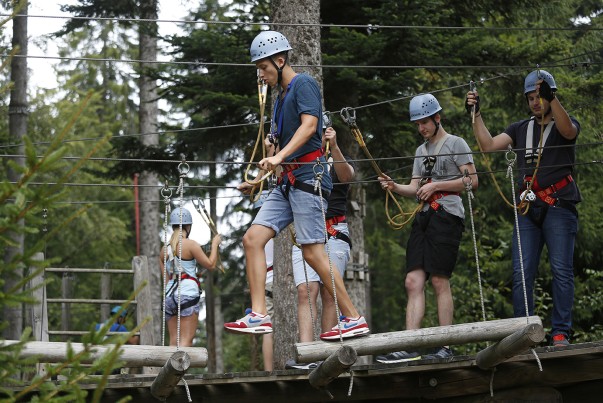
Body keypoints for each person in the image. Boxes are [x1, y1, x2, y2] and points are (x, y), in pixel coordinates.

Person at [225, 30, 369, 341]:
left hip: (308, 179)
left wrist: (280, 158)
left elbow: (310, 126)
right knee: (252, 239)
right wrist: (258, 178)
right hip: (286, 182)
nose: (261, 75)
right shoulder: (279, 100)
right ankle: (259, 314)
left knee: (313, 253)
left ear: (279, 60)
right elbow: (278, 149)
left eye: (263, 68)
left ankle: (354, 317)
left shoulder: (303, 84)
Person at [465, 70, 580, 347]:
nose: (536, 102)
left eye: (540, 97)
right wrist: (476, 114)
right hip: (528, 208)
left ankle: (561, 331)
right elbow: (489, 146)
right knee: (521, 271)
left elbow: (568, 131)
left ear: (550, 97)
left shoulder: (565, 122)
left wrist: (555, 99)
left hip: (558, 205)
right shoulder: (520, 128)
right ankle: (524, 332)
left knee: (561, 269)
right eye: (531, 98)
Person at [377, 94, 478, 363]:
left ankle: (445, 344)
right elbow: (414, 187)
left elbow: (472, 180)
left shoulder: (456, 143)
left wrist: (437, 186)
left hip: (447, 214)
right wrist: (394, 186)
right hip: (423, 216)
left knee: (438, 279)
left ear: (437, 118)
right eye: (417, 124)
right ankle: (410, 344)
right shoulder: (421, 152)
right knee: (412, 281)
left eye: (425, 122)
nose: (421, 128)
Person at [286, 118, 356, 369]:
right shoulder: (298, 159)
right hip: (306, 233)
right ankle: (307, 354)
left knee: (329, 293)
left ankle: (326, 354)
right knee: (306, 292)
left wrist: (334, 147)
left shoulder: (335, 156)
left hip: (334, 231)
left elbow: (347, 177)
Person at [160, 206, 221, 347]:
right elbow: (211, 265)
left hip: (170, 295)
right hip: (187, 293)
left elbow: (167, 277)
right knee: (186, 340)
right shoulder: (190, 245)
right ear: (188, 226)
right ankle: (180, 369)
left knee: (174, 340)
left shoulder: (164, 249)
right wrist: (215, 244)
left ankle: (171, 369)